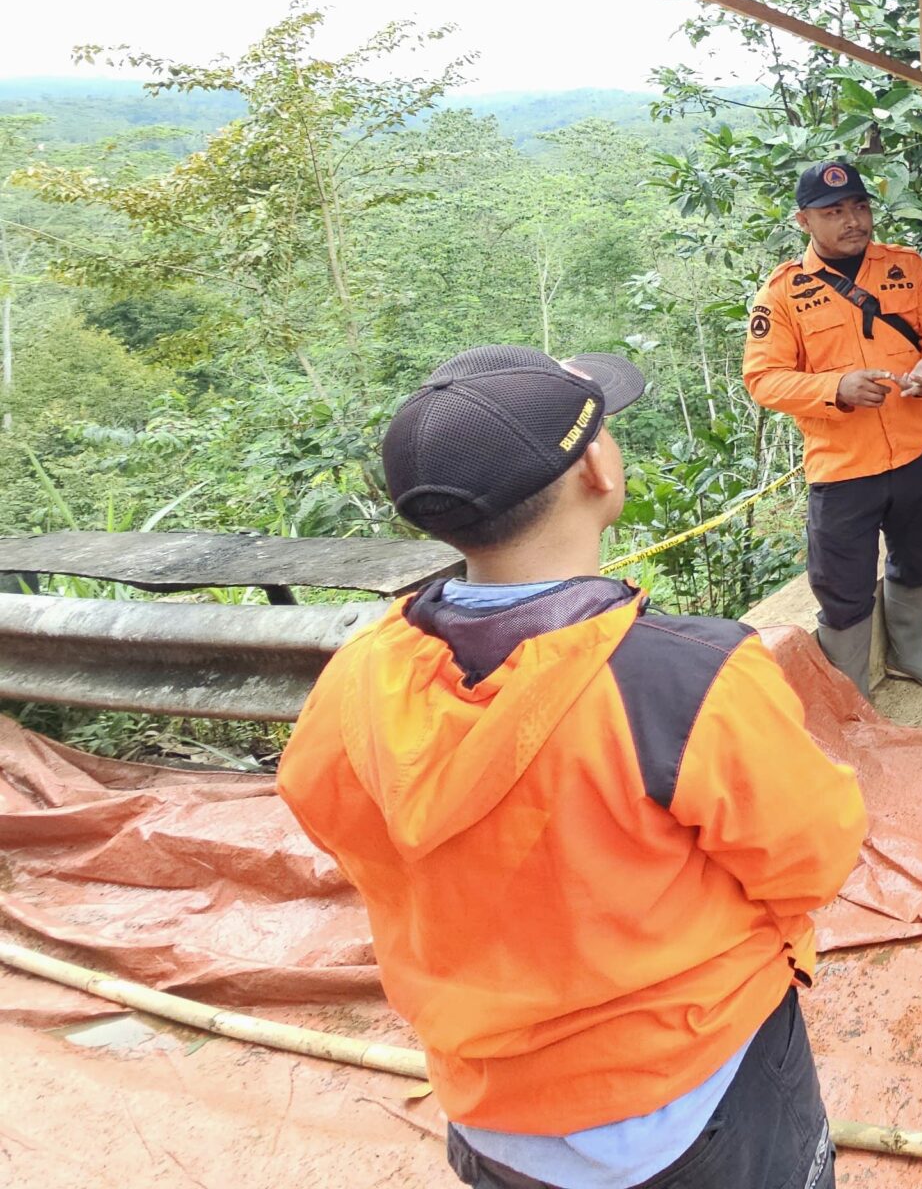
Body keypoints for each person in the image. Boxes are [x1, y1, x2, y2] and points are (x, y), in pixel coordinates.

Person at [278, 346, 866, 1189]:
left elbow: (333, 817)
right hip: (688, 1100)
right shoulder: (688, 676)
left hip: (494, 1119)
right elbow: (814, 855)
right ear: (596, 465)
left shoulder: (361, 673)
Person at [744, 158, 922, 698]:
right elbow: (763, 379)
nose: (853, 221)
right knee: (842, 587)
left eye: (860, 207)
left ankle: (910, 654)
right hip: (843, 467)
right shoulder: (782, 294)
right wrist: (834, 390)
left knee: (918, 557)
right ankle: (851, 694)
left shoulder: (908, 267)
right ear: (804, 222)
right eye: (835, 211)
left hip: (919, 451)